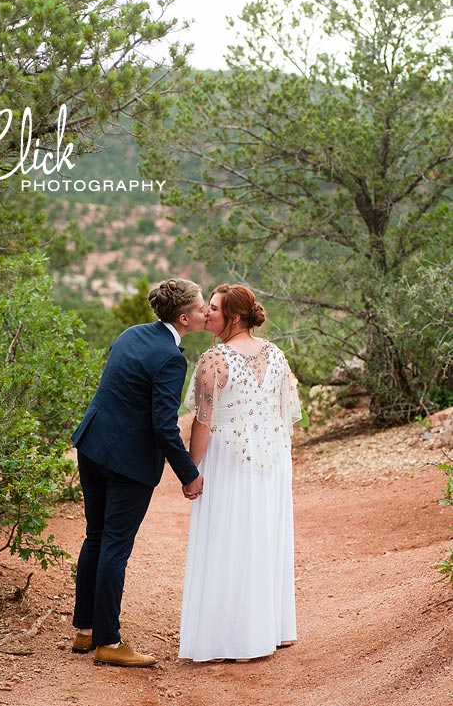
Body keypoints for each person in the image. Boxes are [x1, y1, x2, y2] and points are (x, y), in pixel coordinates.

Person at [71, 278, 206, 667]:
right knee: (115, 545)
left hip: (93, 446)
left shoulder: (130, 334)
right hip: (127, 464)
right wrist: (189, 474)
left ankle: (86, 631)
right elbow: (164, 426)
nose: (204, 313)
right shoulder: (171, 358)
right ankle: (109, 643)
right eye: (200, 308)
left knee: (95, 537)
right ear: (184, 317)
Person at [179, 283, 302, 662]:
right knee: (263, 538)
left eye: (213, 308)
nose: (207, 314)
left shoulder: (214, 359)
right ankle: (269, 629)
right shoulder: (276, 354)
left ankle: (229, 638)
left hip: (230, 460)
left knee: (227, 540)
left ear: (232, 317)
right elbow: (285, 413)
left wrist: (190, 470)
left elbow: (202, 422)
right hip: (273, 457)